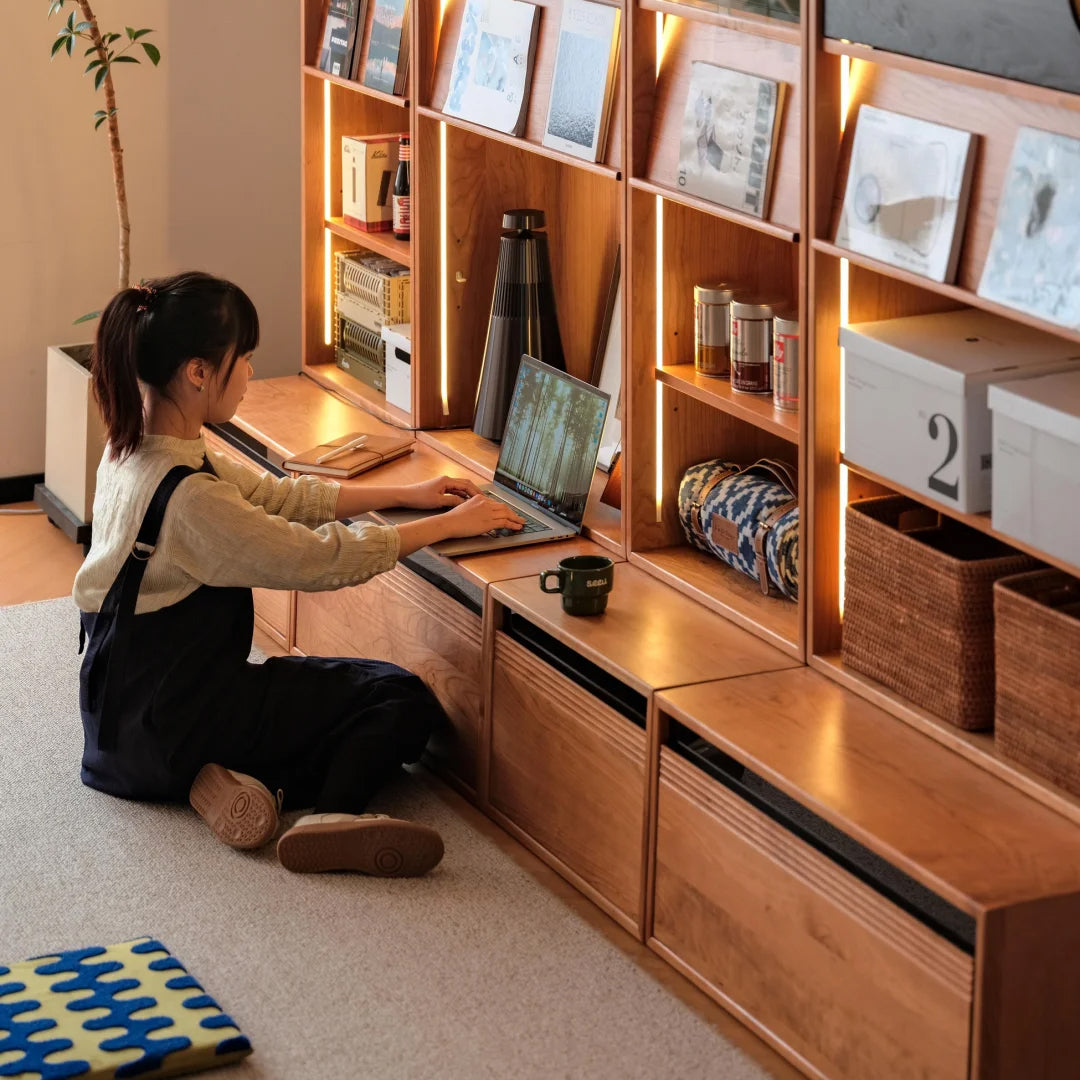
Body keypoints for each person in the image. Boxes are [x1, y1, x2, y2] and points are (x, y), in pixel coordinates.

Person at [73, 271, 525, 877]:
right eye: (245, 358)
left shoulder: (137, 449)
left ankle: (233, 785)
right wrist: (446, 527)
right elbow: (318, 560)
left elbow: (275, 498)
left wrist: (409, 493)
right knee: (396, 699)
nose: (251, 373)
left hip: (121, 727)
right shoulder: (190, 498)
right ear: (198, 371)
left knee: (313, 694)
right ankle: (331, 817)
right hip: (178, 725)